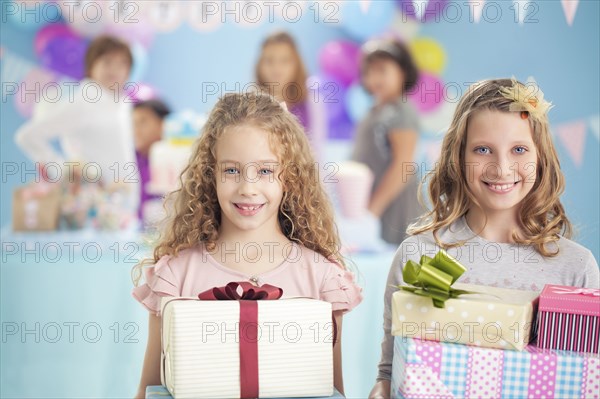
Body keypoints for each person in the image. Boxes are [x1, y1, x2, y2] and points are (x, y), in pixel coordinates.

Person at [368, 78, 600, 398]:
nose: (502, 168)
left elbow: (579, 376)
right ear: (458, 157)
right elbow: (389, 373)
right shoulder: (419, 255)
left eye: (518, 149)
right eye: (483, 149)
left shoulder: (575, 268)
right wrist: (382, 390)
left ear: (541, 156)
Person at [131, 92, 362, 398]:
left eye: (265, 171)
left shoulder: (322, 278)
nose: (247, 188)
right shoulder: (174, 276)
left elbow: (332, 391)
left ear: (289, 178)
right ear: (209, 175)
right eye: (231, 170)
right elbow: (150, 389)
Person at [14, 35, 139, 209]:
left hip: (124, 205)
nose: (115, 70)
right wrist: (63, 172)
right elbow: (27, 136)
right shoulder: (86, 100)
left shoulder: (121, 102)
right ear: (91, 65)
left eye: (122, 63)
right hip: (94, 207)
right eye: (107, 62)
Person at [351, 39, 422, 245]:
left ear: (403, 72)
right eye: (369, 71)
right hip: (373, 201)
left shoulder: (401, 111)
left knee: (400, 263)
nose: (374, 78)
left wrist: (372, 210)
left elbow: (403, 165)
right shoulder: (375, 111)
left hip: (393, 204)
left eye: (382, 70)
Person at [132, 99, 171, 220]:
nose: (136, 130)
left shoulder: (173, 158)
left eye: (143, 122)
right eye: (133, 123)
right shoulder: (130, 160)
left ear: (163, 124)